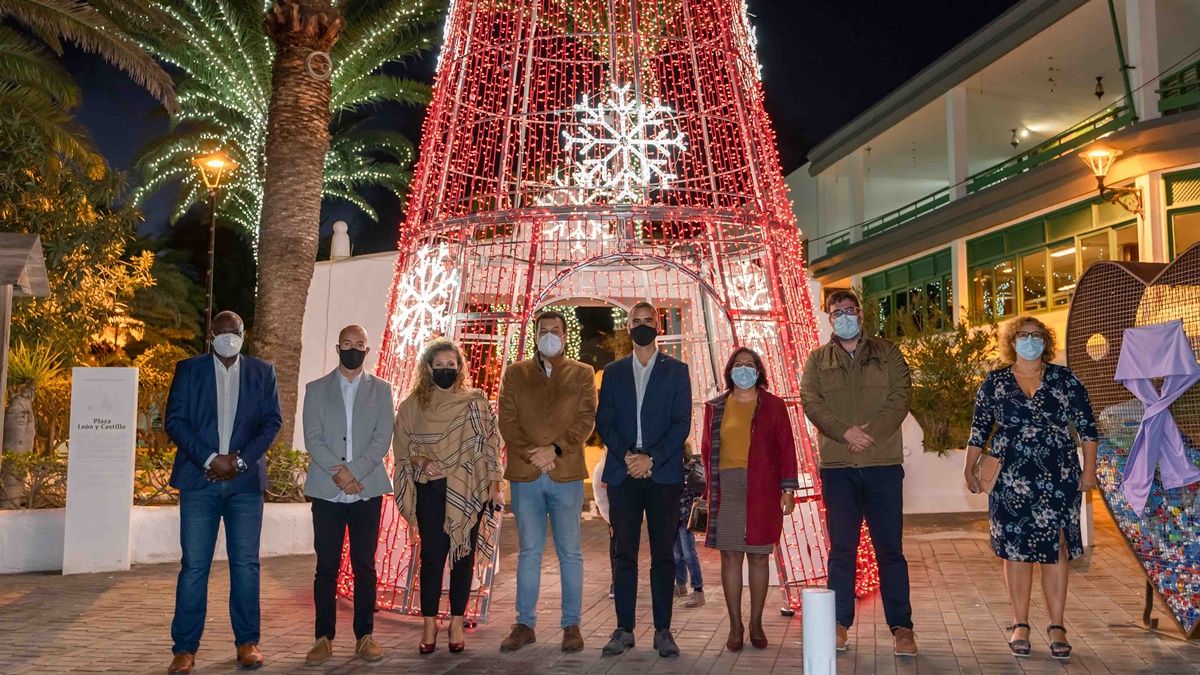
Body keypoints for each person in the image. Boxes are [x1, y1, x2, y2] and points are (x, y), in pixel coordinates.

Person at [964, 316, 1098, 660]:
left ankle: (1057, 626)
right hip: (1010, 476)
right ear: (1012, 341)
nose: (1030, 341)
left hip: (1058, 473)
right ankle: (1019, 623)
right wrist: (969, 467)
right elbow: (979, 430)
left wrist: (1089, 471)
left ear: (1046, 342)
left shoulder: (1064, 379)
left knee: (1057, 547)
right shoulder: (995, 382)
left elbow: (1087, 428)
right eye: (1023, 336)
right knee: (1015, 549)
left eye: (1037, 336)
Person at [800, 290, 916, 657]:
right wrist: (843, 431)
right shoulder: (818, 360)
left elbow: (901, 396)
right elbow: (810, 400)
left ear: (860, 314)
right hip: (838, 468)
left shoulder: (888, 353)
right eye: (837, 312)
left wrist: (871, 434)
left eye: (850, 310)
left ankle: (902, 628)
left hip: (882, 465)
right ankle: (838, 624)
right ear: (829, 318)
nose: (844, 316)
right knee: (842, 551)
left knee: (890, 551)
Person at [164, 311, 282, 674]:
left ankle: (248, 642)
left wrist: (240, 462)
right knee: (194, 567)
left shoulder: (263, 372)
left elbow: (271, 422)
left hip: (245, 486)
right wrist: (211, 458)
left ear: (244, 334)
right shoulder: (189, 370)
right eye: (222, 331)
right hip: (199, 483)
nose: (228, 336)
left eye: (235, 331)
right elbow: (175, 421)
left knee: (245, 565)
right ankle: (184, 649)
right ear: (210, 335)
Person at [393, 338, 503, 654]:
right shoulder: (413, 405)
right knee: (432, 557)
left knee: (463, 556)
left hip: (468, 490)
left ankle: (456, 620)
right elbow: (403, 447)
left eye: (450, 365)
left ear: (460, 368)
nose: (445, 370)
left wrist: (494, 480)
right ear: (428, 368)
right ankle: (429, 622)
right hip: (430, 490)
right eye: (439, 365)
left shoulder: (475, 401)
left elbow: (490, 443)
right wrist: (420, 460)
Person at [595, 301, 692, 658]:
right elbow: (604, 422)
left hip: (662, 472)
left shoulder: (677, 370)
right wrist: (628, 457)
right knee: (624, 554)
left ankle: (663, 630)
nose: (641, 325)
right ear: (627, 326)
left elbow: (682, 422)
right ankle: (624, 629)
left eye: (647, 320)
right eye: (635, 321)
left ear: (658, 325)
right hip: (624, 473)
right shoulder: (613, 371)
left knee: (664, 554)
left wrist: (650, 457)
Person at [497, 310, 597, 653]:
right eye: (543, 330)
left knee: (571, 552)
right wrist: (530, 453)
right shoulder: (516, 373)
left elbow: (586, 420)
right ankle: (525, 623)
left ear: (565, 336)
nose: (549, 335)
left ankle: (572, 625)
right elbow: (507, 420)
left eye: (555, 330)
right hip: (525, 476)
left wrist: (555, 449)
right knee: (529, 552)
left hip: (566, 474)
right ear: (535, 335)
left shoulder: (581, 373)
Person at [301, 325, 395, 665]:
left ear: (367, 351)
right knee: (325, 566)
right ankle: (323, 638)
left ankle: (364, 636)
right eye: (347, 344)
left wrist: (353, 473)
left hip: (366, 490)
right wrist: (339, 474)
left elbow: (382, 440)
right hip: (328, 492)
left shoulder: (383, 390)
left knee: (365, 566)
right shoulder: (316, 389)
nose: (353, 349)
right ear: (337, 347)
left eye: (359, 345)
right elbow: (313, 438)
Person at [702, 347, 798, 651]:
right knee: (730, 555)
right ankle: (735, 625)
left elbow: (786, 448)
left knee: (758, 554)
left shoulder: (773, 405)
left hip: (763, 487)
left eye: (750, 365)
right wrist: (708, 490)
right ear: (730, 370)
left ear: (759, 371)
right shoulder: (715, 407)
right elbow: (707, 452)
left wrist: (788, 489)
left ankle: (756, 622)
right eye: (738, 364)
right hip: (727, 487)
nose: (743, 369)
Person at [673, 442, 705, 609]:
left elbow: (699, 489)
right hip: (676, 517)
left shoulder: (689, 471)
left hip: (686, 518)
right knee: (677, 553)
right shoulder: (680, 470)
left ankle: (698, 589)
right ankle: (681, 584)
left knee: (688, 553)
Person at [590, 451, 615, 599]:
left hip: (629, 516)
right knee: (617, 550)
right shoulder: (601, 469)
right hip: (614, 517)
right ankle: (616, 582)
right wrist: (611, 521)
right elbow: (600, 498)